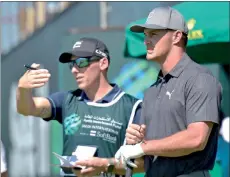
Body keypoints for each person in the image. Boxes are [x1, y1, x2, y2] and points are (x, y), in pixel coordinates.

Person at [115, 6, 222, 177]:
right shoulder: (151, 91)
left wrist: (143, 147)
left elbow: (196, 139)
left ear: (177, 36)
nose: (146, 41)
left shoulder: (200, 78)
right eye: (145, 35)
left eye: (154, 34)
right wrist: (134, 144)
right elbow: (146, 161)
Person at [16, 37, 144, 176]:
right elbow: (27, 108)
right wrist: (23, 89)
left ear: (103, 63)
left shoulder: (132, 107)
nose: (74, 70)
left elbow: (143, 164)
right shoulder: (66, 100)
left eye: (81, 62)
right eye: (72, 65)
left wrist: (105, 165)